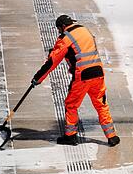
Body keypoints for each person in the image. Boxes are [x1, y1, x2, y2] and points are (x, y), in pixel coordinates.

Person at [31, 15, 120, 147]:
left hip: (82, 76)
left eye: (59, 29)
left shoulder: (65, 38)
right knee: (101, 104)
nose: (59, 32)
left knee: (71, 104)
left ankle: (70, 136)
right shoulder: (85, 30)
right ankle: (112, 136)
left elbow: (52, 62)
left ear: (62, 26)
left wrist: (37, 78)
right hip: (98, 72)